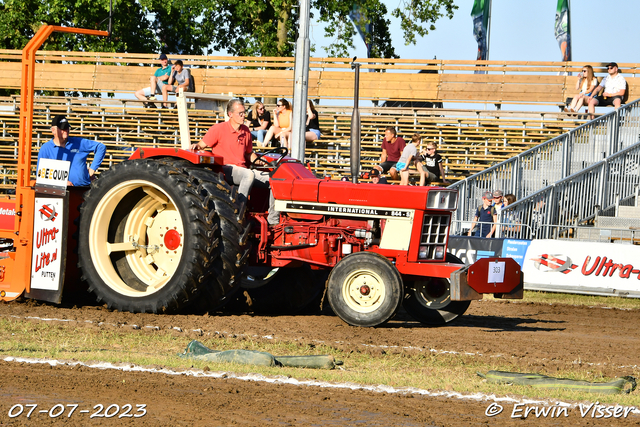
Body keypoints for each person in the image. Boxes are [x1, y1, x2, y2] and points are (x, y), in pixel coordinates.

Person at [189, 99, 279, 225]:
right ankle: (238, 212)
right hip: (225, 168)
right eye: (240, 113)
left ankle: (273, 221)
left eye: (244, 112)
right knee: (248, 174)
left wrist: (262, 162)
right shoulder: (218, 129)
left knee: (275, 179)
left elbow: (248, 154)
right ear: (230, 114)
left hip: (241, 169)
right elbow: (202, 145)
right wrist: (196, 146)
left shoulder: (246, 131)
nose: (244, 116)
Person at [37, 115, 106, 186]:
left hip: (84, 188)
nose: (66, 130)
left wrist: (92, 168)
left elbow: (100, 147)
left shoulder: (78, 143)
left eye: (67, 127)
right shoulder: (46, 149)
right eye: (63, 128)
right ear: (53, 130)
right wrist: (61, 183)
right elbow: (41, 175)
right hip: (58, 190)